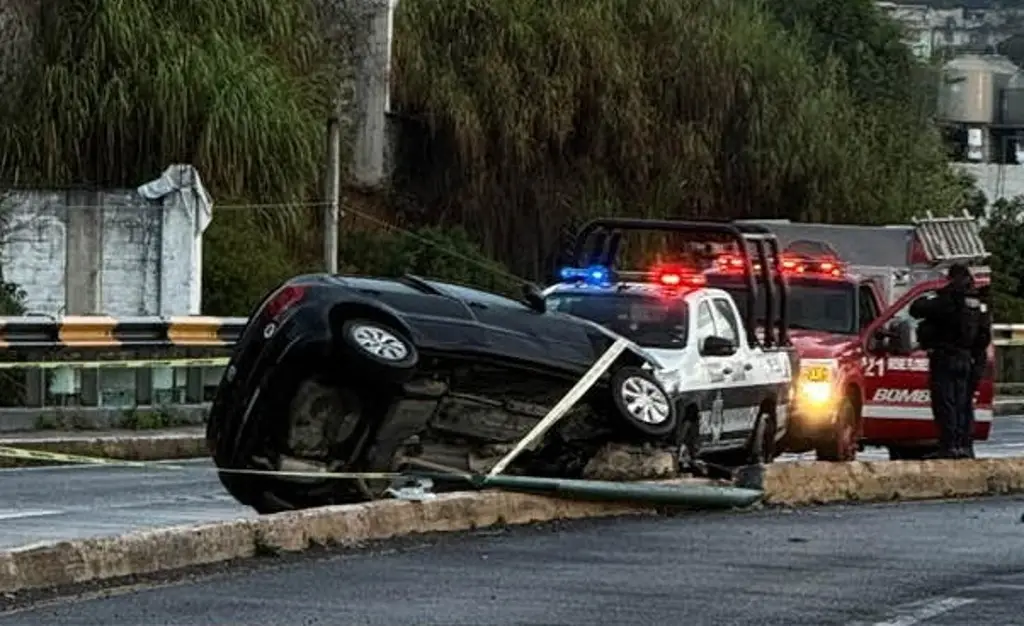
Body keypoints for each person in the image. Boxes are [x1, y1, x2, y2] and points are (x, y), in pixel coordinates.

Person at [909, 264, 983, 459]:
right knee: (963, 404)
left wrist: (932, 294)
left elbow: (916, 309)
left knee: (946, 403)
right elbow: (983, 336)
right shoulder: (975, 302)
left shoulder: (948, 298)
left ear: (951, 278)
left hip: (945, 357)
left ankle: (949, 447)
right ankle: (964, 446)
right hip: (967, 359)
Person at [963, 283, 992, 459]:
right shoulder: (982, 313)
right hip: (973, 360)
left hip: (970, 360)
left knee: (961, 404)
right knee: (964, 404)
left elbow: (981, 338)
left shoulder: (978, 314)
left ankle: (963, 443)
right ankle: (965, 443)